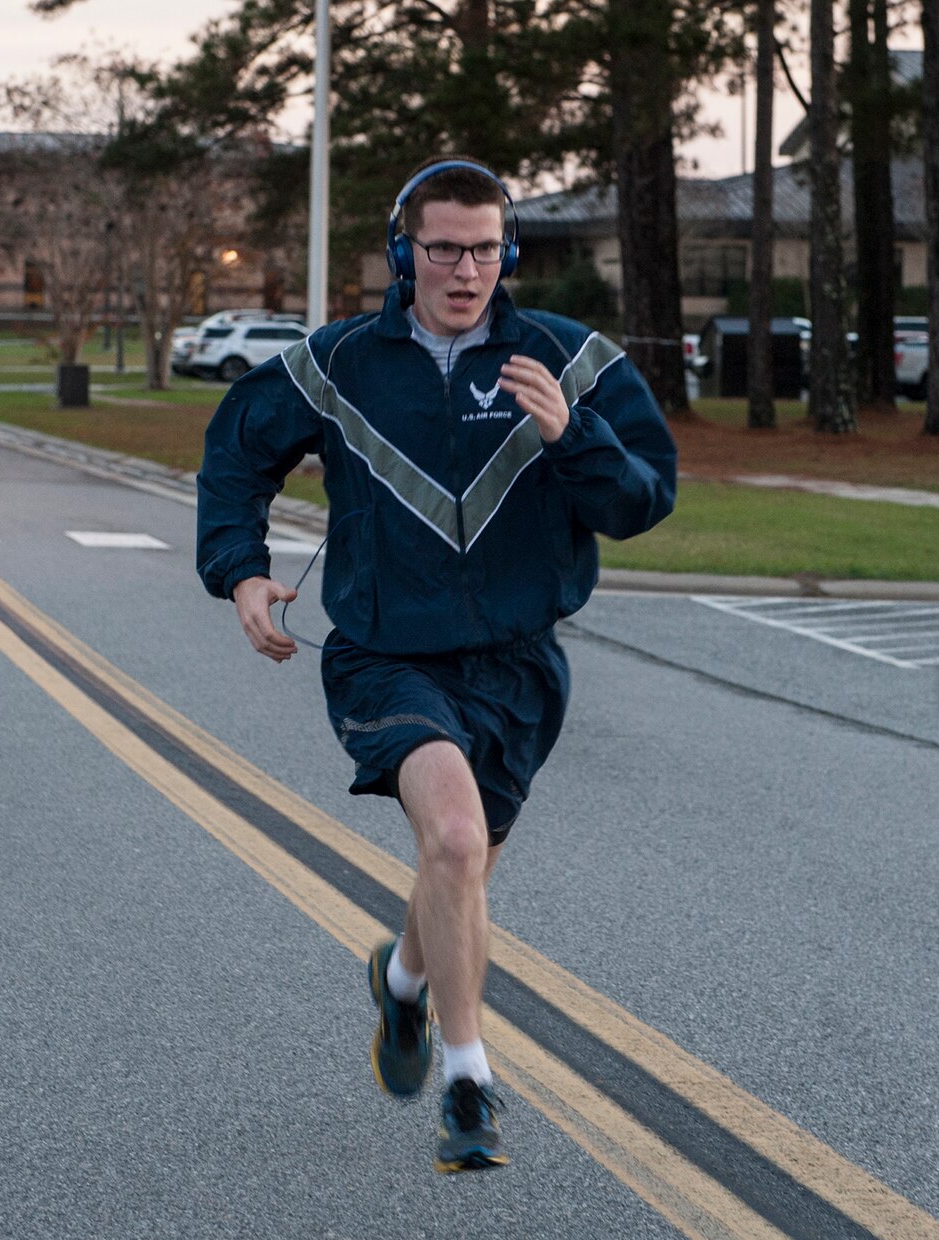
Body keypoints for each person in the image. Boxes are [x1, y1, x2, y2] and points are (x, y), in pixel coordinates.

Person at [195, 157, 676, 1172]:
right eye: (445, 247)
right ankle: (469, 1080)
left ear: (507, 251)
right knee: (454, 839)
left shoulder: (570, 361)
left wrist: (569, 433)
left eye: (487, 248)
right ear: (403, 251)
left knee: (459, 866)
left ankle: (405, 984)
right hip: (383, 654)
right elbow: (236, 451)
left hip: (517, 667)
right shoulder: (338, 365)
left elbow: (641, 501)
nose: (467, 270)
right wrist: (242, 572)